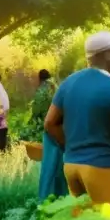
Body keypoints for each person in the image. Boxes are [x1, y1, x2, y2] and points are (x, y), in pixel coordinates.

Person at [44, 32, 110, 213]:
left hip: (71, 166)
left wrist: (70, 145)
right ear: (108, 54)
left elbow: (49, 123)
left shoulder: (68, 83)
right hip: (102, 167)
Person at [34, 70, 68, 201]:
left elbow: (42, 116)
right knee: (57, 172)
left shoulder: (45, 87)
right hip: (57, 130)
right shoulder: (55, 85)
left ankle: (47, 203)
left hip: (54, 130)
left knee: (50, 174)